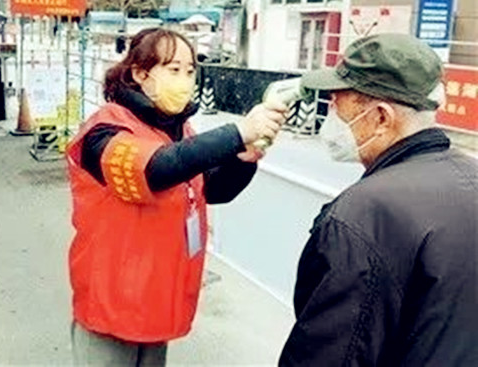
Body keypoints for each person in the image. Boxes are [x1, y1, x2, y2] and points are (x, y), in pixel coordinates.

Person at [66, 28, 287, 365]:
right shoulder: (104, 131)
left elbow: (213, 189)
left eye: (189, 71)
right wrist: (238, 132)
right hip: (111, 302)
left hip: (157, 301)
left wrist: (242, 158)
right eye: (173, 69)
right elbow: (156, 169)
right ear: (140, 74)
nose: (184, 80)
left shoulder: (180, 131)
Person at [279, 34, 478, 365]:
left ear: (381, 117)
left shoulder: (362, 216)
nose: (331, 116)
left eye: (337, 104)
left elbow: (328, 354)